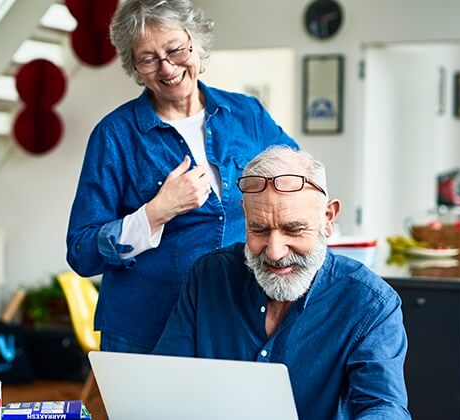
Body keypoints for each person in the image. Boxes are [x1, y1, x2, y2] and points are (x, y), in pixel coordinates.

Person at [65, 0, 297, 354]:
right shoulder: (114, 135)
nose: (168, 67)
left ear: (196, 42)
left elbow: (300, 179)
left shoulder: (246, 114)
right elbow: (81, 251)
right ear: (134, 67)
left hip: (237, 322)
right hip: (145, 329)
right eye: (148, 58)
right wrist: (156, 212)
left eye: (175, 50)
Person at [154, 146, 411, 419]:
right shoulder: (208, 276)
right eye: (259, 229)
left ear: (328, 218)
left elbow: (384, 408)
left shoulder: (371, 303)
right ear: (246, 216)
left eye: (293, 229)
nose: (275, 252)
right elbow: (166, 383)